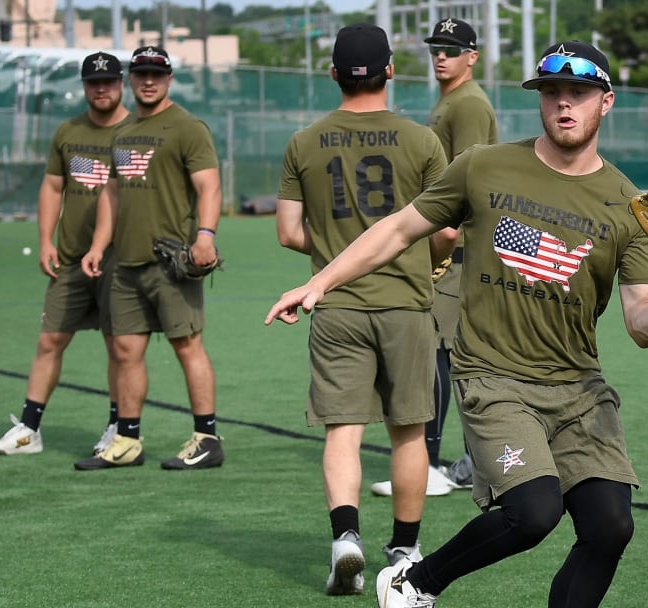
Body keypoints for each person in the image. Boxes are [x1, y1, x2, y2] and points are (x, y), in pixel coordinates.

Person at [266, 41, 648, 608]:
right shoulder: (485, 165)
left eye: (579, 93)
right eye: (551, 94)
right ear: (539, 102)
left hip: (579, 390)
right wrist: (320, 282)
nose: (564, 106)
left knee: (610, 526)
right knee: (533, 511)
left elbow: (642, 320)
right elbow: (398, 230)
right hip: (495, 380)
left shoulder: (627, 205)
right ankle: (413, 583)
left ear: (606, 101)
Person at [270, 23, 450, 596]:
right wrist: (428, 254)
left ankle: (346, 538)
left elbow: (288, 232)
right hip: (406, 304)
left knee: (342, 432)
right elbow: (444, 229)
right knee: (409, 432)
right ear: (390, 70)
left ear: (333, 74)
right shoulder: (421, 141)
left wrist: (332, 253)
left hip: (337, 303)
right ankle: (404, 548)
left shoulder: (303, 142)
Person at [74, 45, 225, 472]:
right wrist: (98, 246)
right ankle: (128, 439)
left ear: (169, 78)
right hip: (127, 262)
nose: (148, 80)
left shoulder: (186, 127)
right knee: (125, 349)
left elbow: (209, 187)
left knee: (186, 345)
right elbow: (113, 193)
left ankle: (207, 438)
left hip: (171, 258)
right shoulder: (123, 132)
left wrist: (205, 236)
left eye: (156, 74)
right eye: (140, 73)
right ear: (130, 79)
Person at [370, 16, 498, 499]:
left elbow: (469, 178)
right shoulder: (452, 99)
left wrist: (445, 245)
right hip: (448, 242)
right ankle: (459, 460)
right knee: (444, 354)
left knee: (441, 354)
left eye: (452, 48)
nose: (441, 55)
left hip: (457, 248)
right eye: (436, 48)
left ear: (472, 56)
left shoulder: (466, 104)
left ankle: (438, 464)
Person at [0, 51, 131, 458]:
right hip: (71, 256)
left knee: (119, 346)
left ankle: (118, 427)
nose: (101, 89)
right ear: (84, 87)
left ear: (121, 84)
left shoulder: (138, 132)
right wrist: (46, 241)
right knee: (50, 339)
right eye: (93, 83)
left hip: (121, 260)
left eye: (109, 81)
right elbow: (52, 188)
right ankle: (29, 430)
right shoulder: (68, 132)